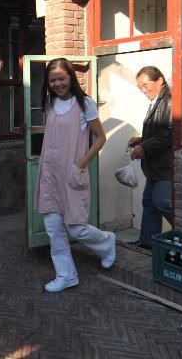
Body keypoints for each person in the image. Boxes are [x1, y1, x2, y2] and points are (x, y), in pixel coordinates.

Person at [35, 58, 116, 293]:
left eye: (62, 78)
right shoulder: (49, 102)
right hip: (50, 173)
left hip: (72, 172)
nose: (58, 83)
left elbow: (100, 138)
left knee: (76, 227)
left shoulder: (84, 104)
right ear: (48, 83)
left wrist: (81, 162)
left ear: (71, 77)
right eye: (53, 80)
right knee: (53, 228)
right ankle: (66, 275)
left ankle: (106, 242)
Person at [128, 65, 174, 249]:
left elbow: (170, 133)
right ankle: (147, 244)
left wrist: (144, 147)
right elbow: (159, 130)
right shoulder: (158, 100)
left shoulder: (170, 100)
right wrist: (141, 139)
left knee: (161, 201)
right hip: (155, 165)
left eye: (145, 84)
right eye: (140, 86)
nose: (143, 89)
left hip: (165, 165)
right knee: (149, 202)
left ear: (160, 80)